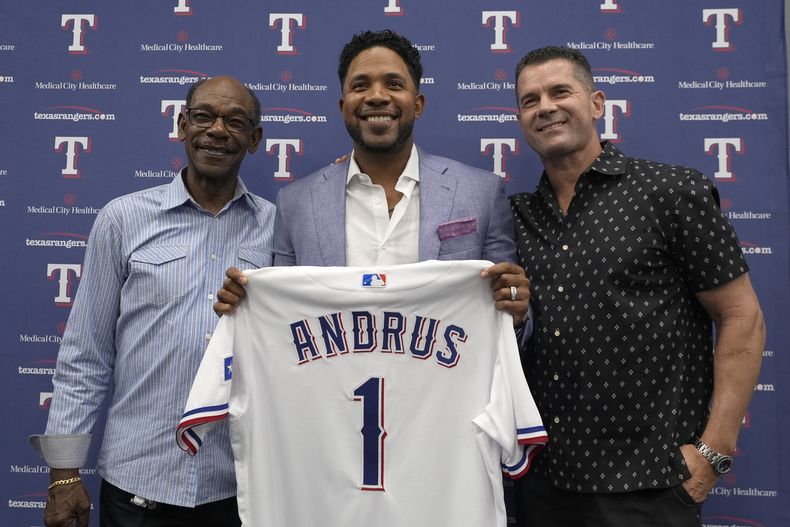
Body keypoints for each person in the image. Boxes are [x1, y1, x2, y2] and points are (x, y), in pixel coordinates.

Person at [509, 46, 765, 527]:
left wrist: (714, 452)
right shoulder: (516, 217)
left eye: (560, 91)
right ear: (521, 119)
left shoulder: (671, 192)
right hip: (543, 485)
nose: (545, 107)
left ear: (596, 104)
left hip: (652, 484)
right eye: (530, 100)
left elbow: (741, 317)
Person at [30, 76, 275, 527]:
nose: (217, 130)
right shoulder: (122, 219)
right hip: (138, 484)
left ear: (255, 139)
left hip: (238, 486)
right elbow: (85, 354)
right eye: (203, 116)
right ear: (182, 125)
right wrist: (64, 473)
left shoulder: (278, 228)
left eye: (236, 122)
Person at [215, 30, 531, 325]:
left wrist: (516, 313)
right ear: (343, 107)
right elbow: (282, 317)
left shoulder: (481, 192)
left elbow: (508, 319)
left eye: (394, 84)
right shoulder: (295, 202)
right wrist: (249, 309)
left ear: (418, 104)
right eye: (360, 85)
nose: (377, 96)